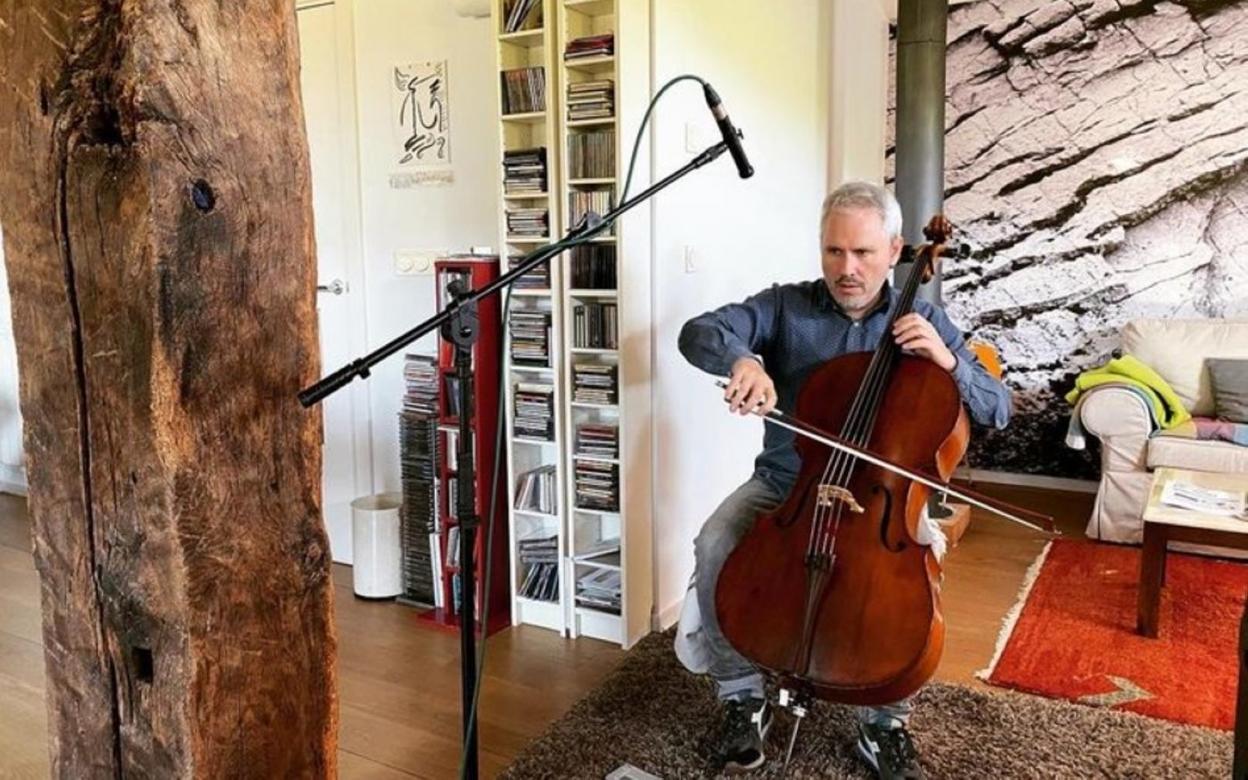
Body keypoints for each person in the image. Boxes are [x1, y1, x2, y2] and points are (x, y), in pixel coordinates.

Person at [674, 181, 1010, 779]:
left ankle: (885, 722)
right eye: (834, 252)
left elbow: (996, 410)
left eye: (862, 253)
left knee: (903, 584)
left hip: (885, 500)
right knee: (714, 541)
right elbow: (697, 332)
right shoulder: (784, 307)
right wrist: (743, 360)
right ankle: (741, 699)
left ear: (895, 250)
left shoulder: (925, 320)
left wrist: (949, 362)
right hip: (789, 483)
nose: (847, 269)